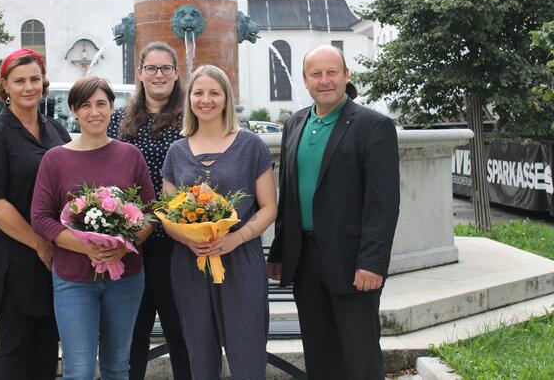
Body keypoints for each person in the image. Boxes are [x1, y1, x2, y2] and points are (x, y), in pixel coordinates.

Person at [266, 45, 400, 379]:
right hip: (306, 262)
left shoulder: (373, 126)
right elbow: (289, 196)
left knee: (360, 358)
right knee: (319, 355)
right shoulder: (294, 124)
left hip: (353, 263)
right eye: (316, 74)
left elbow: (383, 204)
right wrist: (281, 251)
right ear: (305, 80)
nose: (325, 81)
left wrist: (372, 261)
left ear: (346, 76)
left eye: (332, 72)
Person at [31, 76, 155, 380]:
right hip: (73, 279)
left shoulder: (130, 155)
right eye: (85, 105)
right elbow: (41, 217)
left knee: (117, 368)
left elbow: (152, 212)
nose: (94, 112)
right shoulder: (55, 159)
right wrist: (86, 246)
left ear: (113, 108)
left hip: (126, 277)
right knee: (79, 370)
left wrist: (121, 245)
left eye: (101, 104)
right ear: (74, 110)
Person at [161, 65, 278, 380]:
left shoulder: (250, 145)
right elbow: (169, 215)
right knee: (199, 355)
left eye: (214, 92)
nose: (206, 100)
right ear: (190, 100)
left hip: (241, 260)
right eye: (199, 93)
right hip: (191, 263)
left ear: (226, 98)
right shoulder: (176, 152)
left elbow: (268, 207)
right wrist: (189, 239)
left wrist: (236, 238)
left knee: (248, 355)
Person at [0, 48, 70, 379]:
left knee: (47, 342)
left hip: (55, 254)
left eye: (34, 79)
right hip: (14, 257)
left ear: (43, 82)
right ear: (5, 86)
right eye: (19, 81)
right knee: (16, 342)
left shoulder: (56, 130)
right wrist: (39, 243)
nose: (28, 87)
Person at [107, 41, 191, 380]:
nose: (159, 75)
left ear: (176, 74)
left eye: (166, 68)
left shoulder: (191, 119)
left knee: (180, 328)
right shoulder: (118, 121)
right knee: (133, 331)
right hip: (131, 242)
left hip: (176, 241)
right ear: (140, 73)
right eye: (152, 68)